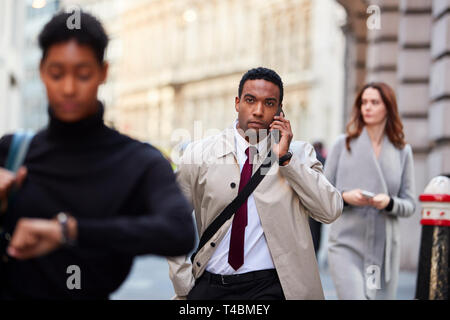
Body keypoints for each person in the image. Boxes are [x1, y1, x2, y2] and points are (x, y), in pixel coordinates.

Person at [0, 11, 195, 299]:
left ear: (103, 73)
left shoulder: (138, 160)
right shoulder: (12, 152)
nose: (68, 88)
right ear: (41, 71)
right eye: (57, 73)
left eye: (83, 74)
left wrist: (68, 231)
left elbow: (179, 232)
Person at [168, 67, 343, 300]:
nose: (259, 111)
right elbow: (171, 218)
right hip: (212, 286)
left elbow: (330, 210)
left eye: (269, 103)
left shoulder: (299, 154)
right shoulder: (198, 155)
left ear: (280, 111)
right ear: (237, 103)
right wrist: (183, 282)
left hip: (272, 287)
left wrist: (286, 160)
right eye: (251, 100)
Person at [325, 82, 416, 300]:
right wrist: (345, 197)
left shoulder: (402, 151)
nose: (367, 107)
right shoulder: (343, 144)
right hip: (345, 246)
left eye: (374, 102)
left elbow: (410, 204)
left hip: (383, 251)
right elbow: (321, 193)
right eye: (364, 102)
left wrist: (389, 203)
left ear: (388, 108)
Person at [309, 141, 326, 255]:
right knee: (317, 232)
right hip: (319, 201)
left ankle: (313, 251)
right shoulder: (323, 159)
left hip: (310, 201)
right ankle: (315, 251)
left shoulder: (310, 157)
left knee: (311, 230)